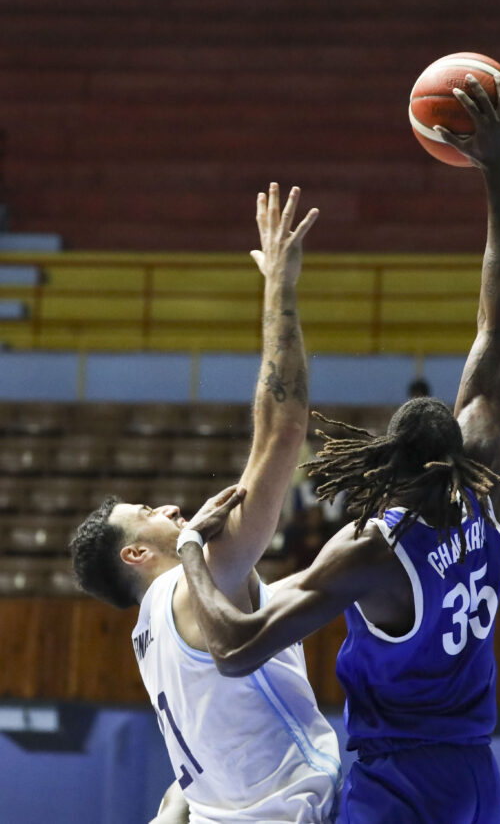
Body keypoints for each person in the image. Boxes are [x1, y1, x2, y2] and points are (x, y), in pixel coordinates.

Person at [176, 75, 500, 824]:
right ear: (458, 453)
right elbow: (496, 328)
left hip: (396, 778)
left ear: (386, 469)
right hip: (475, 773)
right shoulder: (480, 479)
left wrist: (193, 559)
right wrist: (499, 170)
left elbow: (234, 649)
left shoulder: (370, 552)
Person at [69, 184, 342, 823]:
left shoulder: (151, 634)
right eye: (147, 512)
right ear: (136, 554)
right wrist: (280, 283)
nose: (167, 506)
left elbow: (195, 776)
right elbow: (284, 429)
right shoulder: (193, 585)